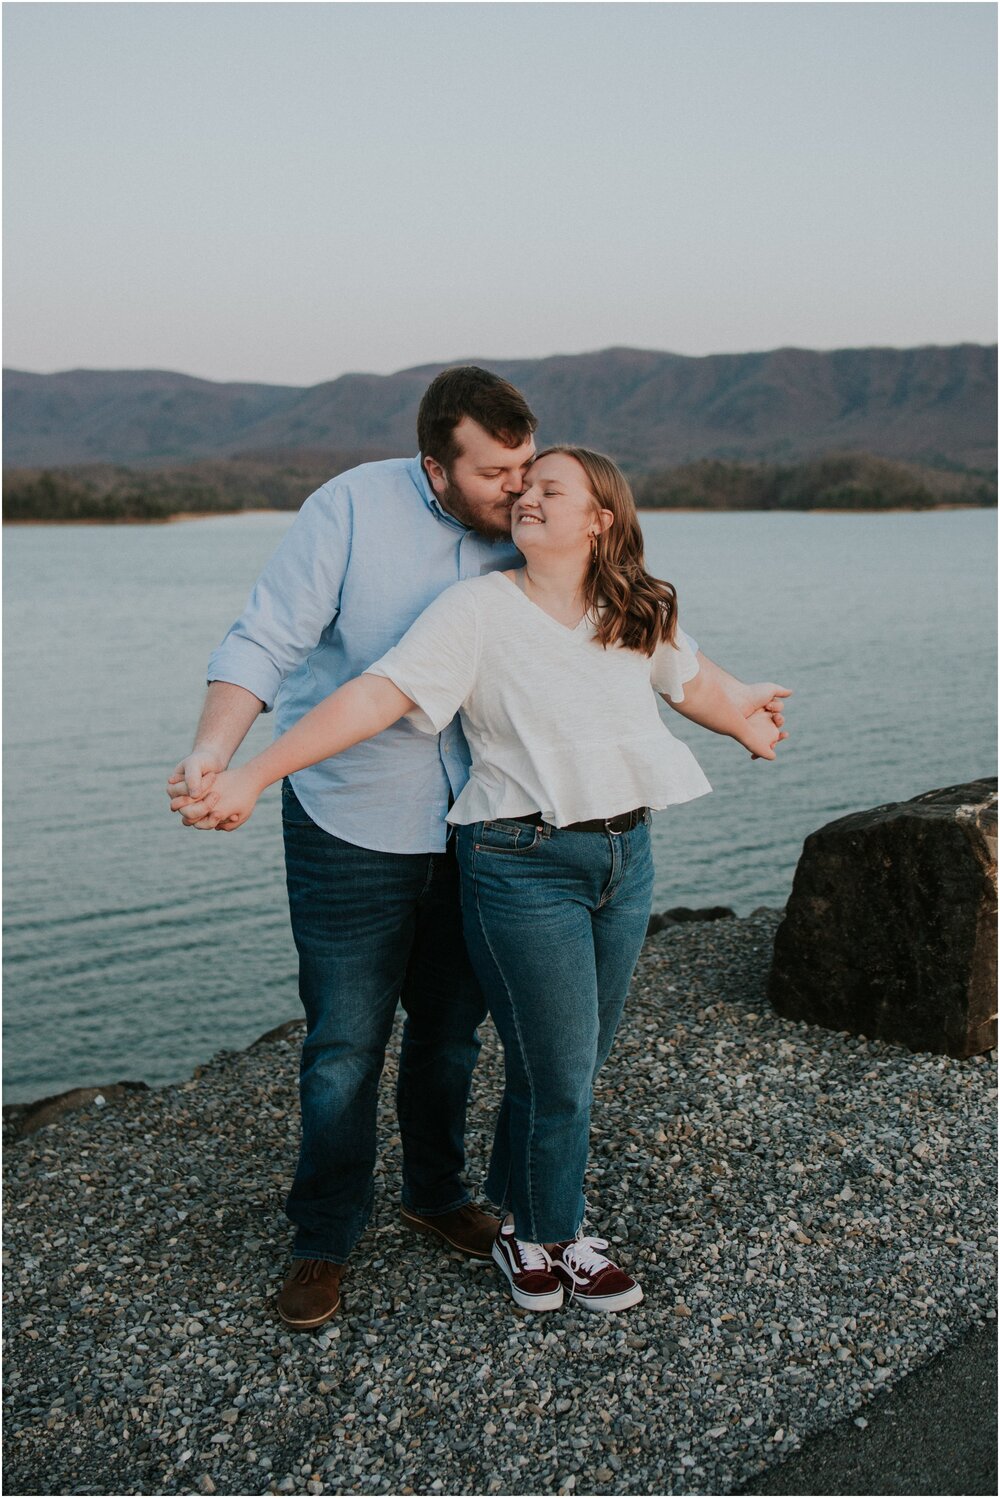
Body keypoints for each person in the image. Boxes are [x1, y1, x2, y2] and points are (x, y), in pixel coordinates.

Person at [167, 366, 790, 1329]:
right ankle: (328, 1237)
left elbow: (678, 665)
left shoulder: (602, 592)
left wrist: (740, 708)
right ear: (437, 468)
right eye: (503, 475)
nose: (519, 489)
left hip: (502, 838)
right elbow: (297, 659)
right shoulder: (370, 526)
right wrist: (233, 763)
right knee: (344, 1044)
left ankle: (440, 1194)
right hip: (365, 826)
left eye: (535, 472)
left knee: (456, 1036)